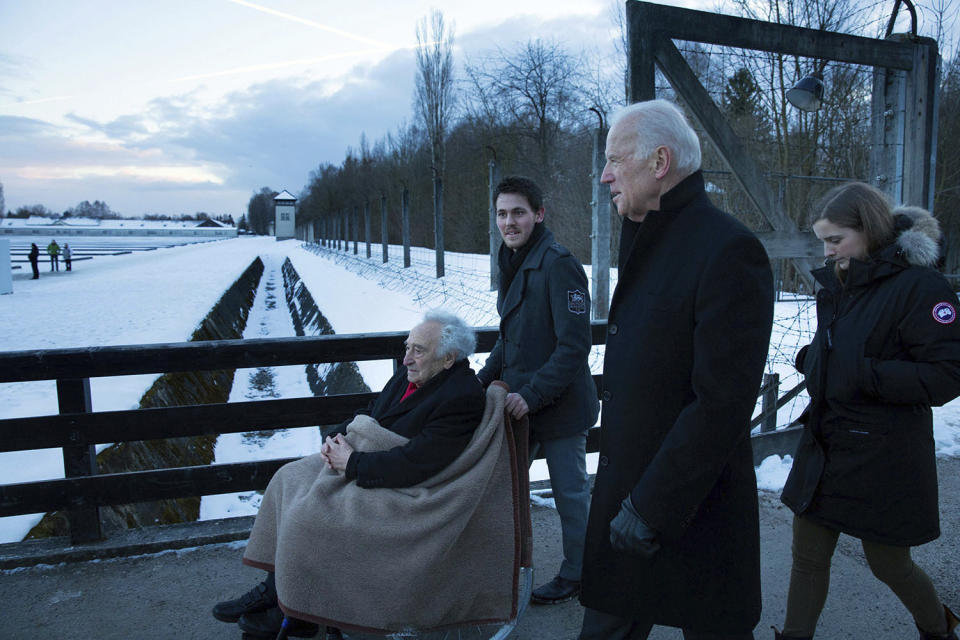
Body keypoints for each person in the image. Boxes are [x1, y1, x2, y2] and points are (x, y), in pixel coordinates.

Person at [578, 99, 774, 640]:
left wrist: (651, 506)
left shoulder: (728, 250)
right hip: (631, 500)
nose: (604, 175)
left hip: (688, 506)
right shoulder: (648, 237)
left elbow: (722, 402)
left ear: (659, 163)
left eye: (616, 159)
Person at [213, 310, 488, 639]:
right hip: (373, 460)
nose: (406, 359)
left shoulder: (462, 397)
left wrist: (353, 462)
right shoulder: (411, 375)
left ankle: (297, 608)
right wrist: (337, 437)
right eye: (407, 347)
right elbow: (374, 413)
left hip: (411, 492)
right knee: (287, 478)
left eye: (418, 350)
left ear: (448, 359)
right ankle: (280, 591)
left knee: (309, 514)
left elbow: (420, 463)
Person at [775, 183, 960, 640]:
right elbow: (840, 348)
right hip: (827, 442)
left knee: (889, 564)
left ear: (870, 230)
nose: (828, 250)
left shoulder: (921, 286)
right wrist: (814, 360)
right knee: (808, 558)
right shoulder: (841, 281)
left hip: (885, 455)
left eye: (836, 239)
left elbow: (948, 372)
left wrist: (864, 375)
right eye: (823, 240)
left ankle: (939, 629)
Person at [477, 176, 599, 605]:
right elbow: (510, 339)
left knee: (570, 495)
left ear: (539, 214)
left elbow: (574, 346)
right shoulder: (511, 260)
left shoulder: (558, 263)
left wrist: (531, 394)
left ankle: (581, 575)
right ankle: (494, 575)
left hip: (558, 404)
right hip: (520, 404)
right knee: (500, 491)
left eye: (518, 213)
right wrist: (476, 386)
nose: (509, 222)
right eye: (502, 214)